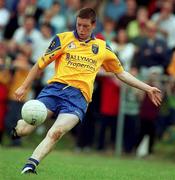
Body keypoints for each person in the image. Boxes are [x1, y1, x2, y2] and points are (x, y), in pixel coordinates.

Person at [12, 8, 162, 174]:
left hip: (78, 98)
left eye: (85, 26)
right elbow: (40, 64)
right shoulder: (63, 39)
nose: (81, 30)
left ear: (94, 25)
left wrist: (147, 88)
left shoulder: (102, 47)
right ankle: (17, 130)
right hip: (55, 90)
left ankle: (30, 165)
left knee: (56, 132)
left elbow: (121, 73)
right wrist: (24, 86)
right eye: (79, 25)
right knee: (25, 129)